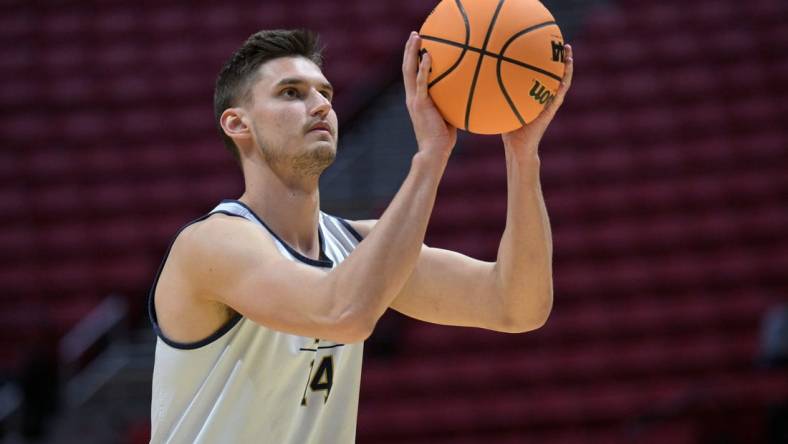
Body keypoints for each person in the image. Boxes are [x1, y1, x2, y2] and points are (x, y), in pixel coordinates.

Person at [148, 28, 573, 443]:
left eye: (325, 94)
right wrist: (431, 156)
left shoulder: (355, 247)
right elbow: (343, 313)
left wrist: (522, 155)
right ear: (237, 123)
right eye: (292, 93)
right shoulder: (211, 243)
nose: (319, 106)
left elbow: (517, 306)